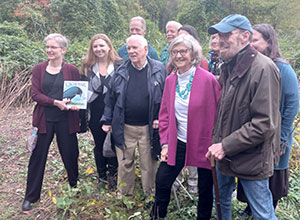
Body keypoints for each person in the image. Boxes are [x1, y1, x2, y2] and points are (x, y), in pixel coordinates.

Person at [205, 14, 281, 220]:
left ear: (245, 37)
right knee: (221, 200)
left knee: (263, 213)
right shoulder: (228, 67)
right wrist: (218, 142)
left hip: (252, 157)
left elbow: (265, 123)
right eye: (218, 35)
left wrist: (225, 145)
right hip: (224, 153)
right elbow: (225, 112)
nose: (220, 40)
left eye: (226, 34)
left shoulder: (264, 69)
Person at [151, 34, 221, 220]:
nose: (179, 55)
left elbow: (220, 113)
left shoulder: (208, 80)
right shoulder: (170, 81)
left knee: (205, 188)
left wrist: (218, 142)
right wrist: (165, 144)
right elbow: (164, 115)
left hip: (203, 142)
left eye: (183, 51)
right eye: (175, 51)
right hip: (178, 141)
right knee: (162, 181)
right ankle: (158, 216)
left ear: (193, 54)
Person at [237, 23, 299, 217]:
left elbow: (292, 103)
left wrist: (282, 137)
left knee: (273, 173)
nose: (251, 44)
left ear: (269, 42)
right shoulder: (252, 65)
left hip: (276, 133)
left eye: (255, 40)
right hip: (256, 131)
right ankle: (250, 207)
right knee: (253, 169)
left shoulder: (282, 68)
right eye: (250, 40)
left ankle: (269, 210)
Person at [101, 35, 167, 197]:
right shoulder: (121, 70)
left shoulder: (159, 69)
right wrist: (107, 120)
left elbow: (166, 97)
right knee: (125, 162)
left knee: (148, 163)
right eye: (128, 48)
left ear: (145, 49)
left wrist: (160, 118)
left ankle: (149, 194)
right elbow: (110, 98)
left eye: (134, 48)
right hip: (124, 126)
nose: (130, 51)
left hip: (149, 127)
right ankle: (125, 195)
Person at [22, 33, 80, 211]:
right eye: (47, 47)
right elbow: (35, 94)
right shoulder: (39, 69)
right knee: (37, 157)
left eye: (53, 47)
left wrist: (76, 105)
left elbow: (77, 92)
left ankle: (74, 186)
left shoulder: (71, 69)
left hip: (66, 120)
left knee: (70, 154)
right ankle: (31, 196)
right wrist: (55, 102)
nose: (49, 50)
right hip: (44, 120)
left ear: (63, 50)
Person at [81, 34, 123, 190]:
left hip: (114, 112)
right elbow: (82, 91)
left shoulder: (120, 66)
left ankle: (113, 176)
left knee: (112, 144)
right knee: (99, 145)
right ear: (92, 49)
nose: (99, 49)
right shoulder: (87, 67)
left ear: (109, 47)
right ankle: (102, 176)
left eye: (102, 46)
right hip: (95, 113)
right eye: (95, 46)